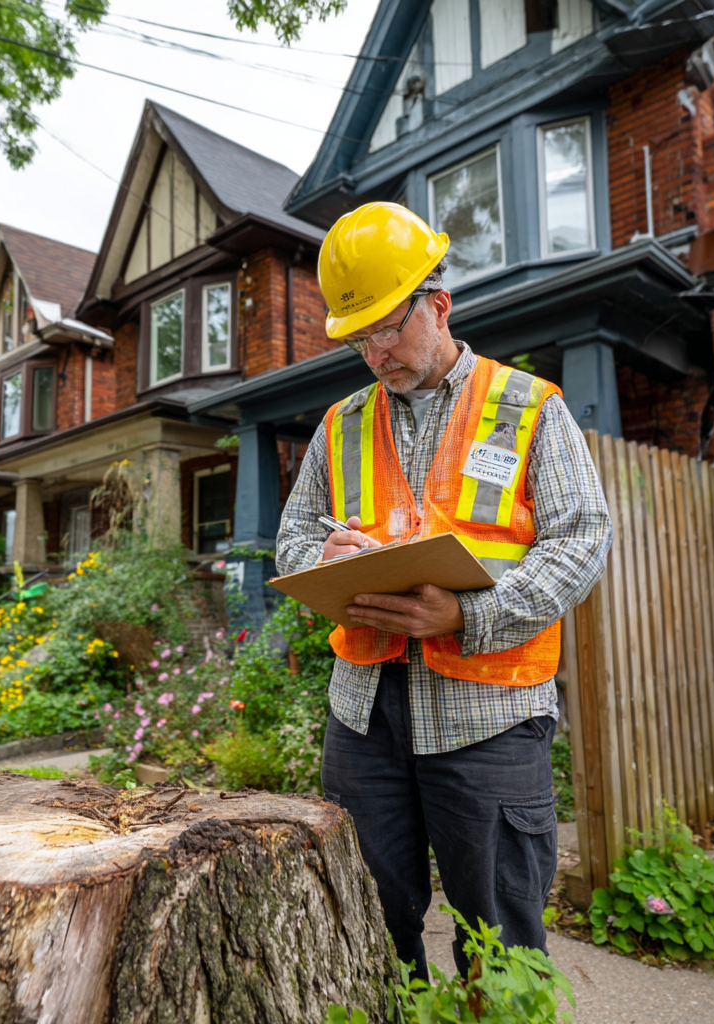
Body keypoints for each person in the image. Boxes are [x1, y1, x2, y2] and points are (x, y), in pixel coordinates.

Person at [276, 202, 612, 979]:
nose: (375, 352)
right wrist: (325, 551)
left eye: (388, 327)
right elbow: (292, 541)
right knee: (366, 921)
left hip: (489, 713)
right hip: (363, 716)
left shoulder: (529, 407)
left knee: (498, 934)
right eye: (358, 338)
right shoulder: (339, 425)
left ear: (439, 303)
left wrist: (471, 613)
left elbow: (582, 539)